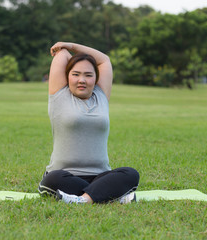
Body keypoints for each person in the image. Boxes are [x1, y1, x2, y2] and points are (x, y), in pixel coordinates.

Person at [38, 42, 140, 204]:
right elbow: (62, 54)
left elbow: (104, 60)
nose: (82, 80)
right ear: (67, 75)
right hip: (65, 176)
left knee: (131, 174)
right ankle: (107, 195)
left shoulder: (101, 95)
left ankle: (83, 200)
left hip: (100, 176)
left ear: (96, 78)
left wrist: (72, 45)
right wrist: (66, 47)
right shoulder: (60, 96)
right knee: (53, 179)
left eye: (88, 75)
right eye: (76, 74)